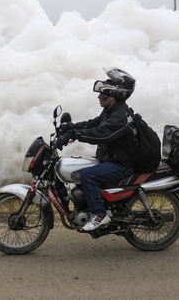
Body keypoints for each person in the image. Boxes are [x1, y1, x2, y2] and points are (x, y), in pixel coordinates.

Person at [55, 67, 137, 231]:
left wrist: (74, 134)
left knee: (87, 176)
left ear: (114, 95)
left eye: (103, 94)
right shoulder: (111, 110)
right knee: (77, 167)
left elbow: (101, 134)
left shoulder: (120, 116)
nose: (99, 96)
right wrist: (70, 128)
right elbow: (94, 124)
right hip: (111, 157)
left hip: (122, 164)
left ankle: (100, 214)